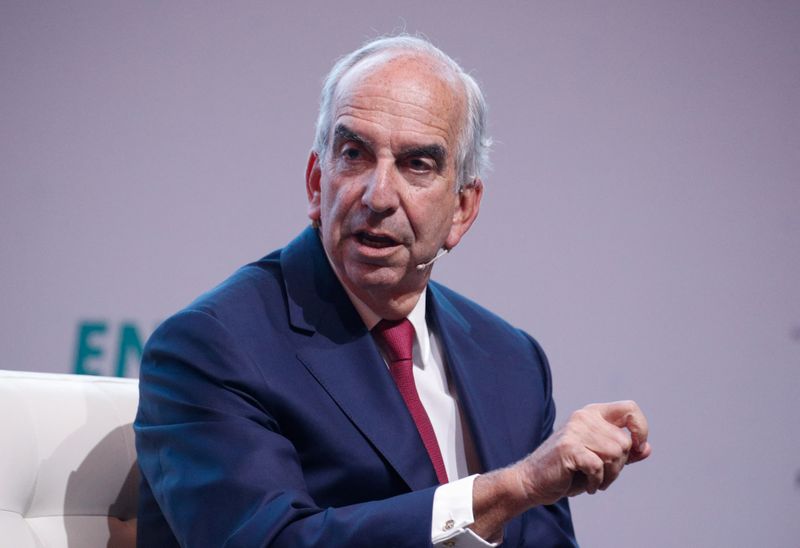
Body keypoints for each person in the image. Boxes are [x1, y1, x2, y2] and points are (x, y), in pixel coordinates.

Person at [134, 35, 651, 547]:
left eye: (416, 165)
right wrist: (511, 487)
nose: (378, 196)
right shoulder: (214, 346)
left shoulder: (511, 361)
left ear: (462, 209)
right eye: (354, 154)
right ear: (317, 183)